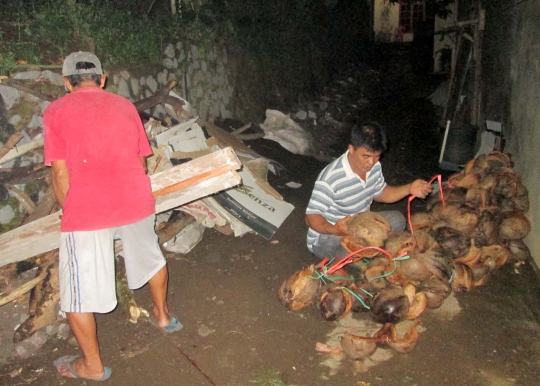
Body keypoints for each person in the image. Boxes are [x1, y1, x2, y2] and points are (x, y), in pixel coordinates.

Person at [43, 52, 182, 381]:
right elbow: (143, 163)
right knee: (151, 257)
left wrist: (73, 212)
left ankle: (91, 366)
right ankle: (163, 316)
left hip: (88, 208)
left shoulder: (55, 111)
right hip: (135, 199)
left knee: (77, 294)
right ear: (102, 79)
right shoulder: (126, 106)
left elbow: (61, 176)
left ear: (66, 82)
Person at [305, 121, 432, 261]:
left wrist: (409, 188)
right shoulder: (331, 178)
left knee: (397, 220)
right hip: (328, 235)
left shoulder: (374, 166)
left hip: (361, 225)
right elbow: (311, 217)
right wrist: (333, 229)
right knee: (345, 251)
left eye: (376, 156)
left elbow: (381, 193)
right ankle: (358, 254)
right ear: (351, 149)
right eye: (365, 156)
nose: (371, 162)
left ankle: (365, 251)